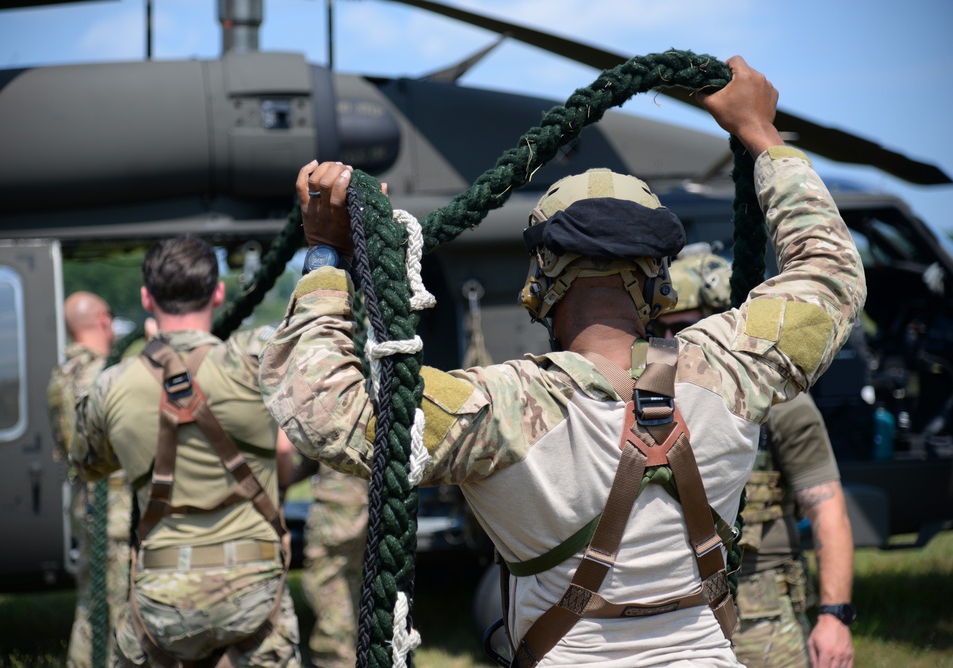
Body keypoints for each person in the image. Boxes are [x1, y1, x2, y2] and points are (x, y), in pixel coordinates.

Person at [259, 55, 866, 666]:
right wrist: (762, 136)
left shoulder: (499, 410)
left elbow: (327, 412)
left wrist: (326, 257)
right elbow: (830, 275)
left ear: (541, 283)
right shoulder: (736, 370)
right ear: (659, 283)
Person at [70, 235, 302, 668]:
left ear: (146, 298)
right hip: (254, 592)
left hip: (162, 602)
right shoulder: (254, 362)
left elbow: (89, 465)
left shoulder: (111, 385)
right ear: (217, 292)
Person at [658, 252, 856, 667]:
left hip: (760, 603)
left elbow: (827, 511)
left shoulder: (779, 405)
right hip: (672, 603)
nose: (679, 344)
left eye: (690, 328)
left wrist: (834, 616)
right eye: (667, 330)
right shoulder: (646, 405)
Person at [47, 290, 132, 667]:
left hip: (86, 506)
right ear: (102, 319)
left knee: (91, 605)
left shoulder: (60, 376)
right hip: (115, 511)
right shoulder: (106, 374)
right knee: (120, 612)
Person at [291, 453, 369, 668]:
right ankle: (355, 652)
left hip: (337, 508)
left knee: (326, 584)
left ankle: (337, 659)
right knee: (347, 580)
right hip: (363, 502)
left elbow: (313, 445)